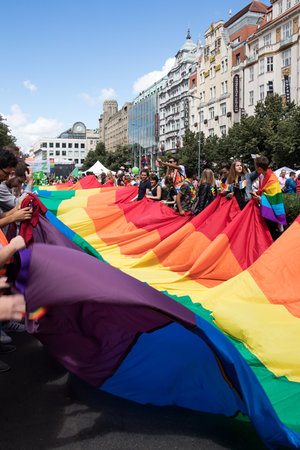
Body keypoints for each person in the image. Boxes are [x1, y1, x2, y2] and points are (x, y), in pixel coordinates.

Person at [251, 156, 286, 240]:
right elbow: (264, 190)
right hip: (266, 211)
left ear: (259, 169)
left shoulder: (272, 179)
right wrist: (258, 192)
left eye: (255, 167)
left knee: (271, 235)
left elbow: (274, 199)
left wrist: (260, 198)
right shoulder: (262, 176)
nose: (255, 169)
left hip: (272, 214)